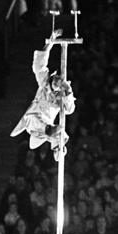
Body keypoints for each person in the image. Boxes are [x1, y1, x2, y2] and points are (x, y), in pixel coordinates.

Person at [10, 29, 75, 161]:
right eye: (56, 79)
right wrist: (51, 41)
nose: (57, 82)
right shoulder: (45, 81)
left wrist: (68, 91)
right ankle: (52, 134)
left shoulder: (62, 93)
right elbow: (39, 65)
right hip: (34, 121)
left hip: (47, 125)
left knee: (59, 133)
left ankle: (58, 148)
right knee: (33, 120)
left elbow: (69, 109)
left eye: (60, 81)